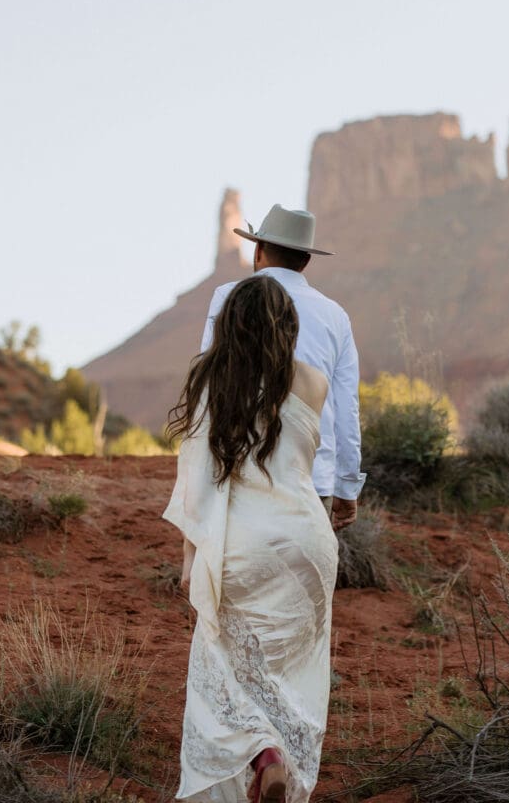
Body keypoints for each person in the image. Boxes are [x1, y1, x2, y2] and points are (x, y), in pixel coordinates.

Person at [164, 275, 338, 803]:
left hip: (243, 542)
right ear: (287, 327)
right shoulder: (312, 381)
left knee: (222, 665)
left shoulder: (209, 377)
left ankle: (262, 755)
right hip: (309, 546)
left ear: (230, 323)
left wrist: (190, 557)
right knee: (291, 669)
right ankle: (276, 753)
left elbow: (197, 478)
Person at [201, 203, 365, 530]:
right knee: (304, 578)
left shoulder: (226, 297)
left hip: (237, 472)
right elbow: (346, 407)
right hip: (310, 479)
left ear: (258, 250)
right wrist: (346, 487)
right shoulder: (335, 316)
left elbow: (207, 386)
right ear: (305, 260)